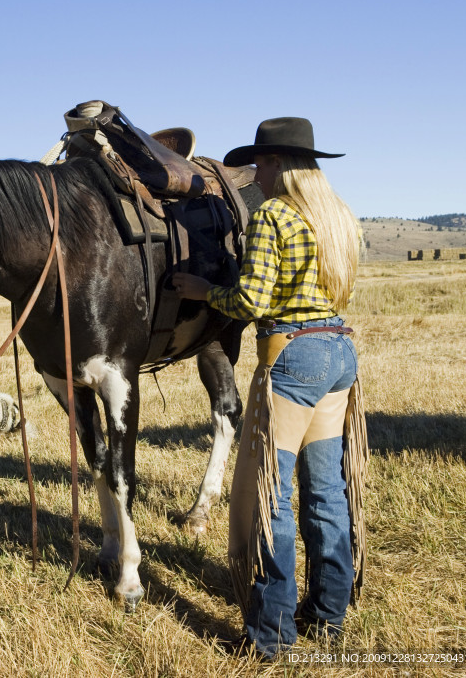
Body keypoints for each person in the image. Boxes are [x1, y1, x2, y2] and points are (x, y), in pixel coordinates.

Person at [172, 117, 368, 659]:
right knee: (327, 493)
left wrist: (206, 289)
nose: (255, 172)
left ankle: (272, 637)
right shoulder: (338, 218)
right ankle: (329, 617)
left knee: (270, 498)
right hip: (339, 354)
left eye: (260, 162)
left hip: (291, 358)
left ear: (278, 163)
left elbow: (252, 302)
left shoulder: (275, 215)